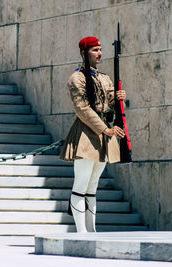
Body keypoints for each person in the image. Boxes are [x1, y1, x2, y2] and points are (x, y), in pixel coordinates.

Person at [59, 36, 126, 233]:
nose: (100, 53)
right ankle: (81, 232)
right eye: (95, 50)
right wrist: (105, 129)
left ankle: (91, 230)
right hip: (87, 134)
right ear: (84, 53)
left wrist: (119, 99)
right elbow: (82, 108)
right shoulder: (76, 78)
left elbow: (110, 103)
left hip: (104, 133)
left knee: (93, 186)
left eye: (100, 49)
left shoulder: (104, 78)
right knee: (81, 183)